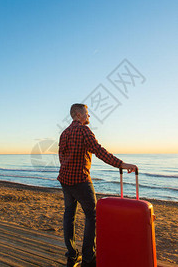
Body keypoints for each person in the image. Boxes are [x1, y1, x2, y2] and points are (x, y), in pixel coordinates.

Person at [57, 103, 137, 267]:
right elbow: (99, 151)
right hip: (80, 180)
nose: (89, 116)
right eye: (87, 113)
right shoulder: (84, 131)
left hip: (65, 180)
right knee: (92, 216)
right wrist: (121, 164)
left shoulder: (64, 133)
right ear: (78, 115)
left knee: (69, 216)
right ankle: (88, 258)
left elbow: (61, 156)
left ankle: (72, 255)